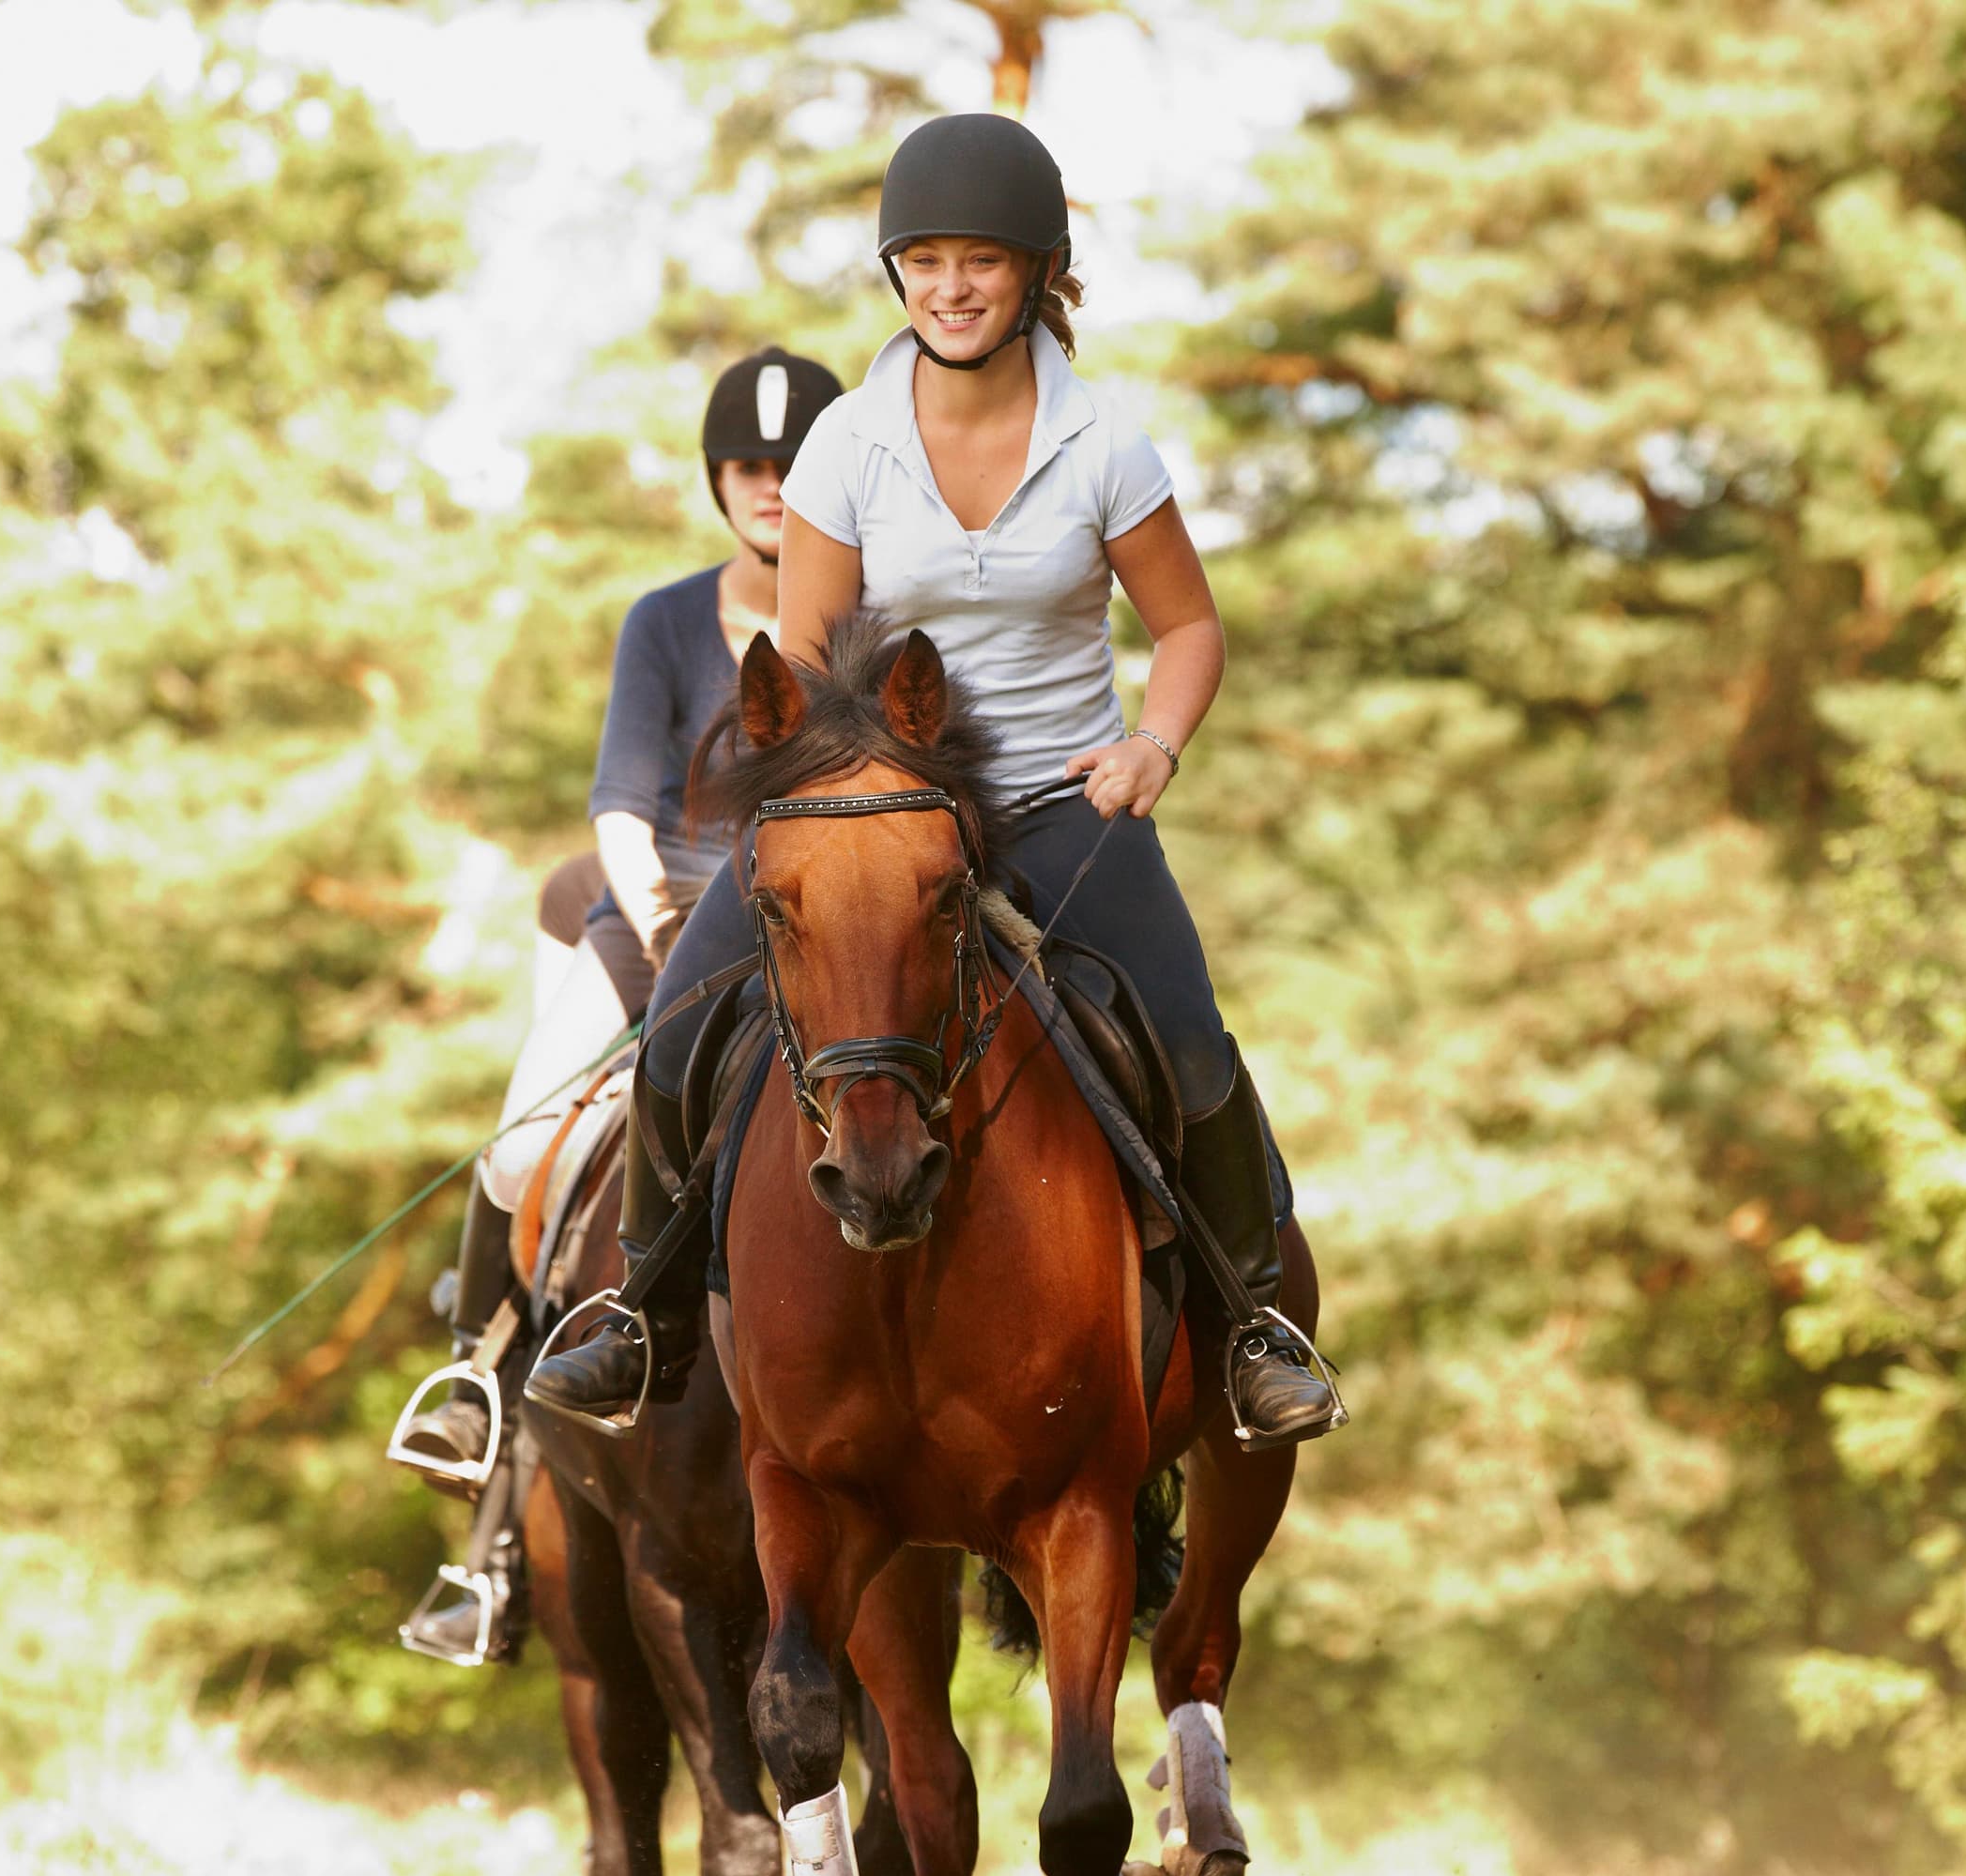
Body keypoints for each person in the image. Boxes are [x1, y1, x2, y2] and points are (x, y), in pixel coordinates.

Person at [526, 112, 1344, 1447]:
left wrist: (1155, 744)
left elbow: (1188, 628)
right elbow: (803, 654)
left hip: (1057, 803)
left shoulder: (1104, 450)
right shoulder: (847, 443)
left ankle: (1253, 1323)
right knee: (679, 1025)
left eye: (982, 261)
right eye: (926, 261)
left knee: (1190, 1040)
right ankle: (644, 1318)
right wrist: (818, 787)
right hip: (877, 816)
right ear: (896, 275)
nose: (952, 288)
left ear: (1038, 274)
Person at [389, 345, 850, 1504]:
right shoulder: (662, 623)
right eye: (747, 464)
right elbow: (619, 806)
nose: (771, 484)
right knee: (512, 1149)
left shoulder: (869, 623)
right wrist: (654, 921)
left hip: (814, 930)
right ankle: (475, 1385)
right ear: (716, 479)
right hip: (659, 920)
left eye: (793, 464)